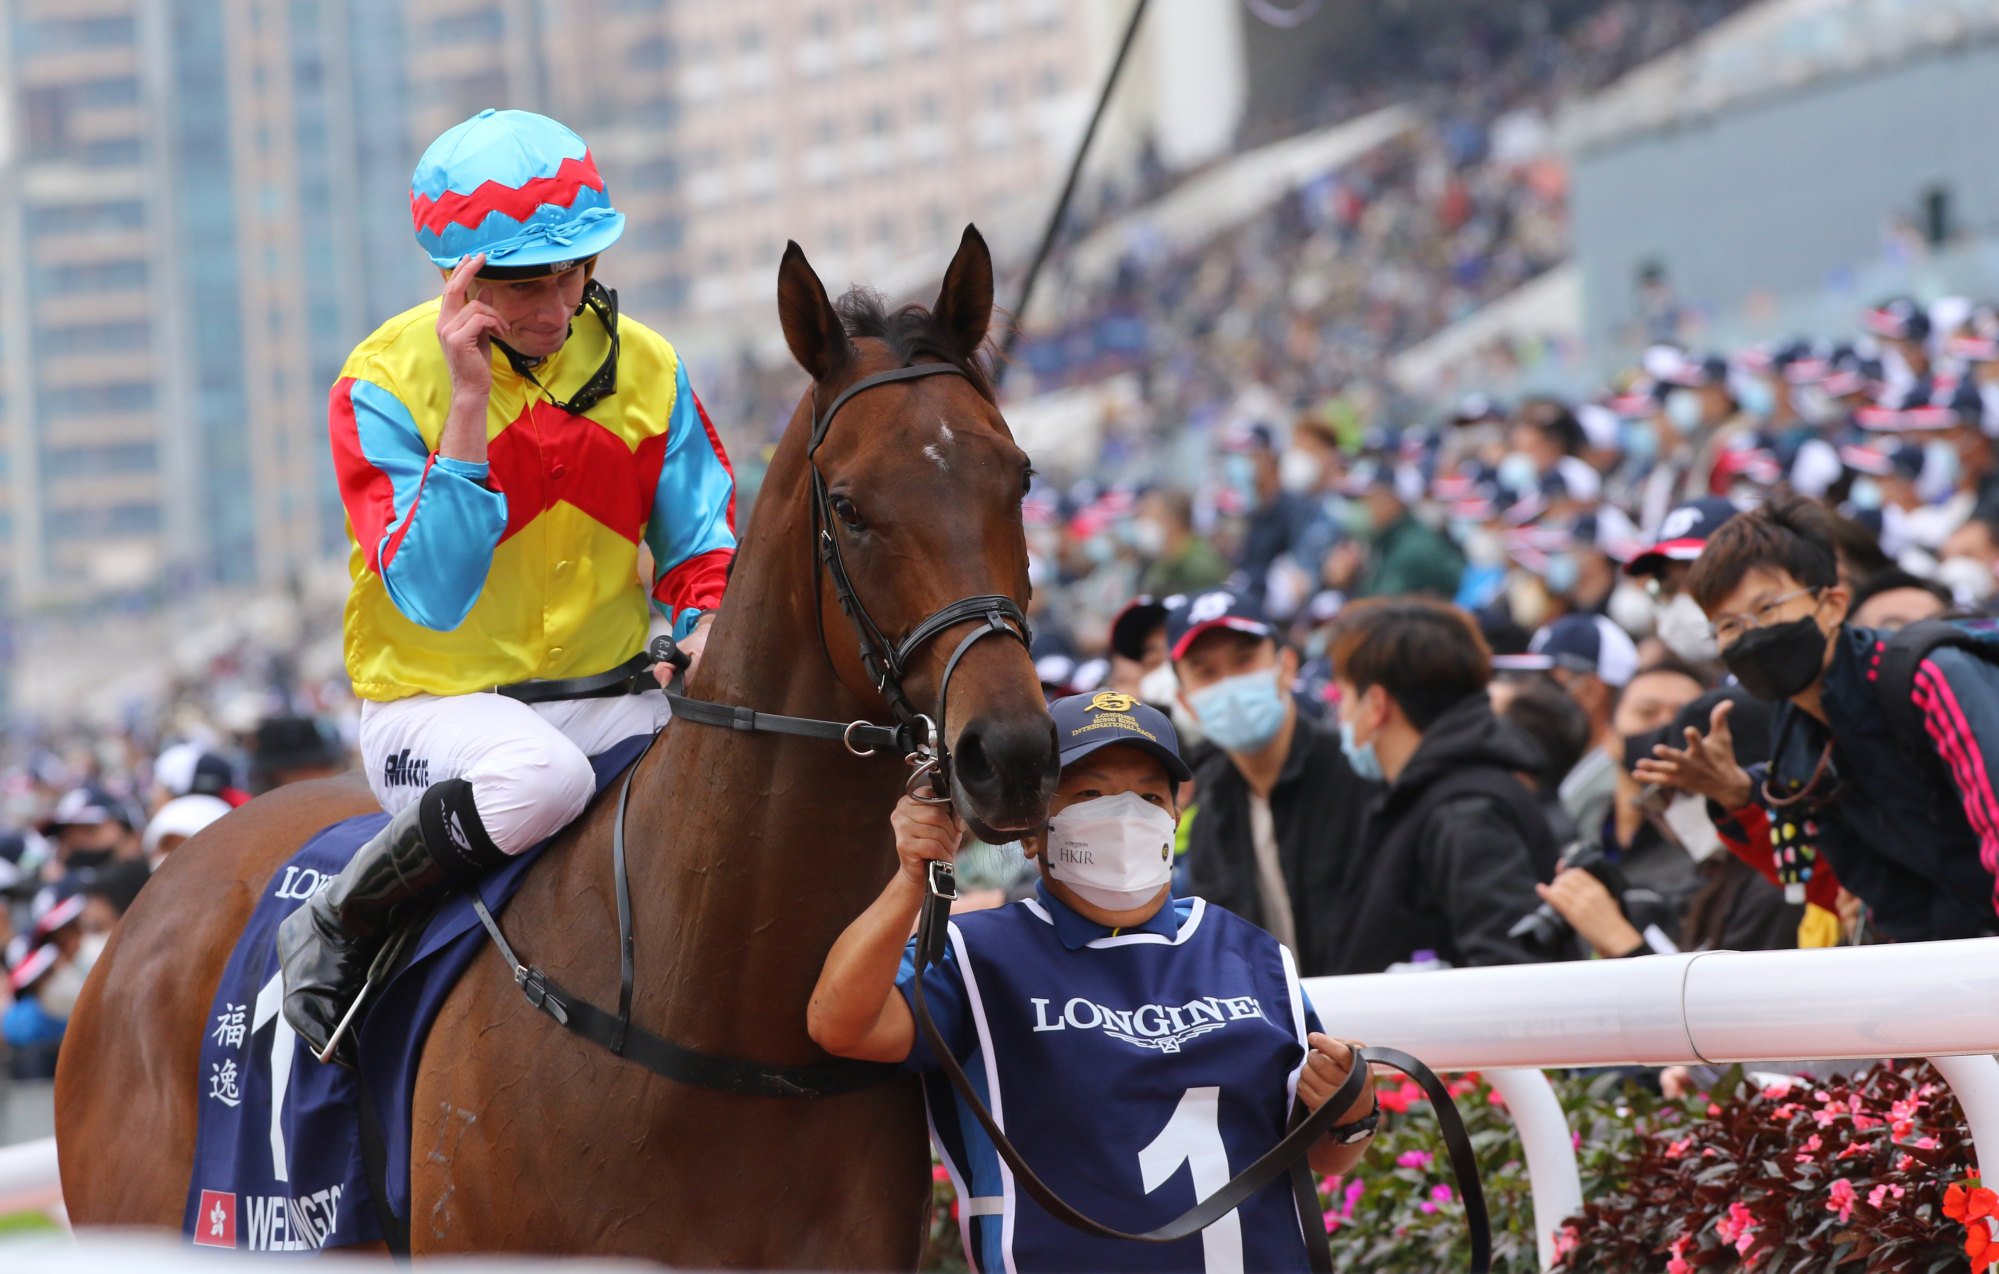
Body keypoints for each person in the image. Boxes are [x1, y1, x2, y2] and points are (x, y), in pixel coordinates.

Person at [279, 108, 738, 1060]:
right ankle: (338, 920)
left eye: (570, 273)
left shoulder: (648, 367)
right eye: (518, 283)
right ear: (459, 274)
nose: (551, 306)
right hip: (438, 712)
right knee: (541, 776)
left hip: (610, 699)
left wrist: (704, 622)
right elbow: (434, 594)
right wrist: (471, 406)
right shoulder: (382, 381)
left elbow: (703, 547)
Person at [808, 692, 1377, 1273]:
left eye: (1150, 795)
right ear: (1030, 832)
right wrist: (912, 874)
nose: (1126, 814)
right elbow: (840, 1024)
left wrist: (1353, 1113)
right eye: (1090, 793)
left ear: (1174, 818)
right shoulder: (975, 956)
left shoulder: (1251, 952)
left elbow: (1326, 1156)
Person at [1643, 489, 1999, 942]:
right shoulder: (1797, 747)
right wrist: (1737, 796)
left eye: (1767, 608)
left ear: (1832, 604)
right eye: (1729, 625)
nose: (1751, 635)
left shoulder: (1930, 675)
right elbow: (1872, 896)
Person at [1323, 597, 1560, 973]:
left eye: (1344, 695)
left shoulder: (1465, 813)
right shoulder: (1421, 797)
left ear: (1377, 704)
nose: (1340, 713)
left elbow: (1510, 975)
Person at [1169, 590, 1377, 974]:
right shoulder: (1211, 816)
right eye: (1205, 672)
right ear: (1185, 701)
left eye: (1244, 660)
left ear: (1286, 666)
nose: (1229, 683)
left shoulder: (1359, 776)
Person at [1507, 613, 1641, 840]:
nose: (1529, 695)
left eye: (1545, 683)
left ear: (1591, 692)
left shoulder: (1613, 778)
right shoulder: (1562, 771)